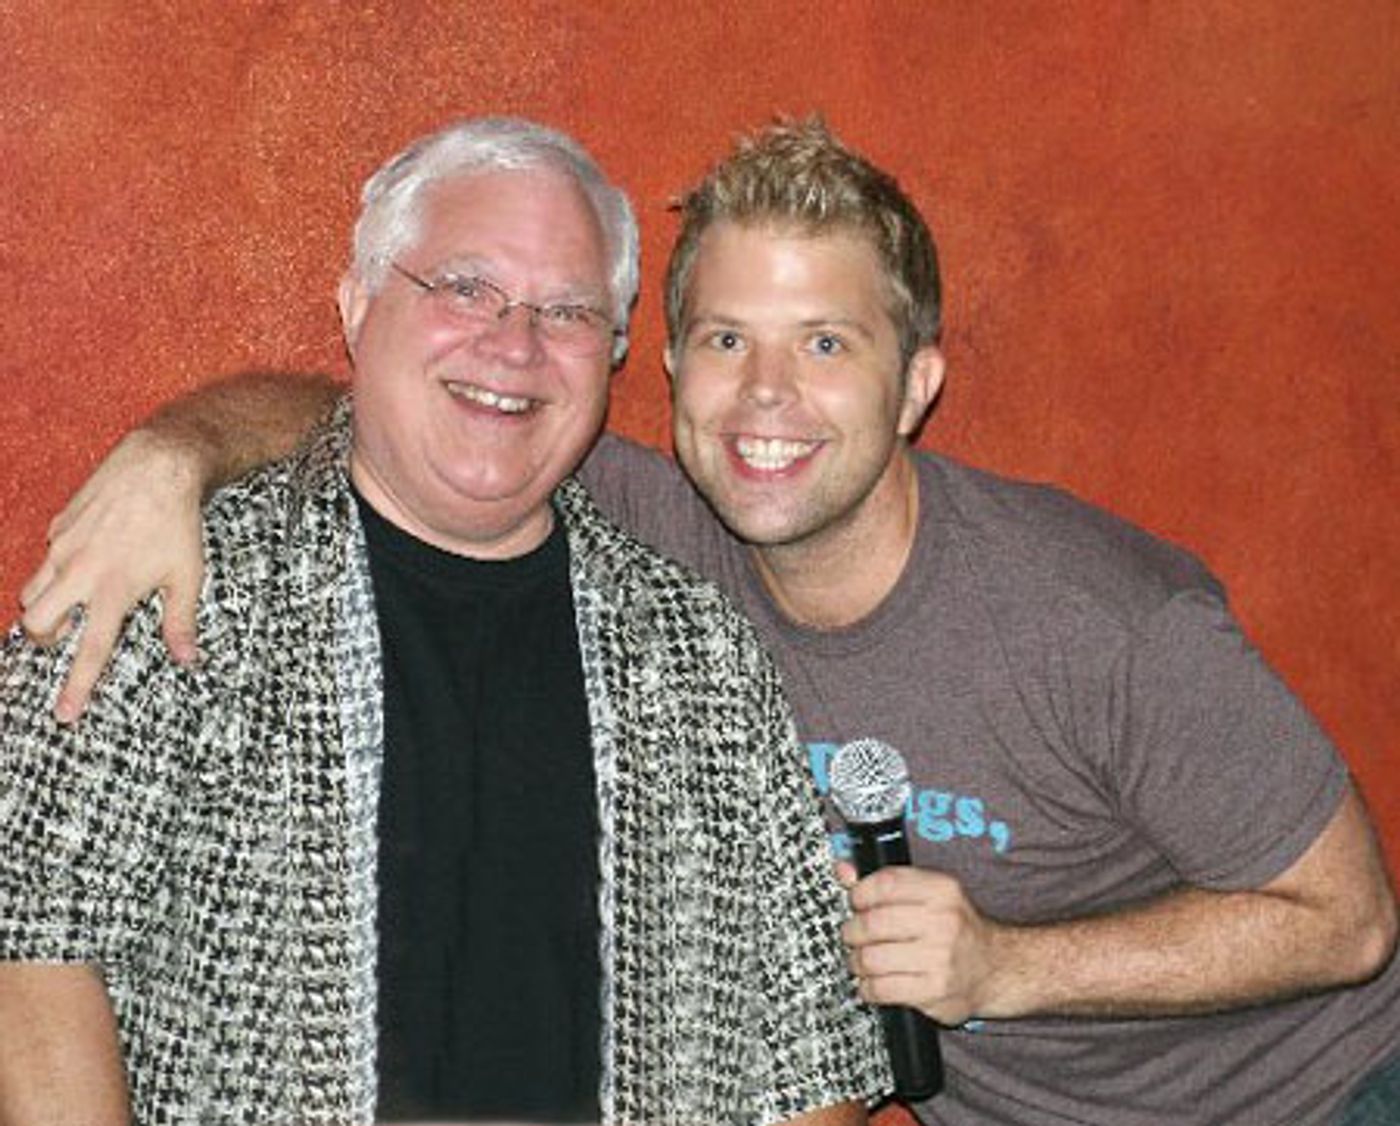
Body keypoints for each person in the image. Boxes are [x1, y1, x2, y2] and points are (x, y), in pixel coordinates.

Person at [16, 119, 1400, 1125]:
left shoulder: (1087, 622)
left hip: (1311, 1091)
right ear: (666, 366)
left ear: (918, 383)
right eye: (729, 339)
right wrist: (172, 450)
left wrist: (1004, 965)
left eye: (826, 343)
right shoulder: (633, 537)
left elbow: (1348, 923)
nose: (766, 399)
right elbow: (425, 411)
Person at [0, 117, 890, 1125]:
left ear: (613, 354)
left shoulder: (696, 655)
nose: (512, 345)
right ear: (357, 306)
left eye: (566, 311)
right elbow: (29, 931)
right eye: (464, 288)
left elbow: (809, 1058)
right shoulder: (178, 580)